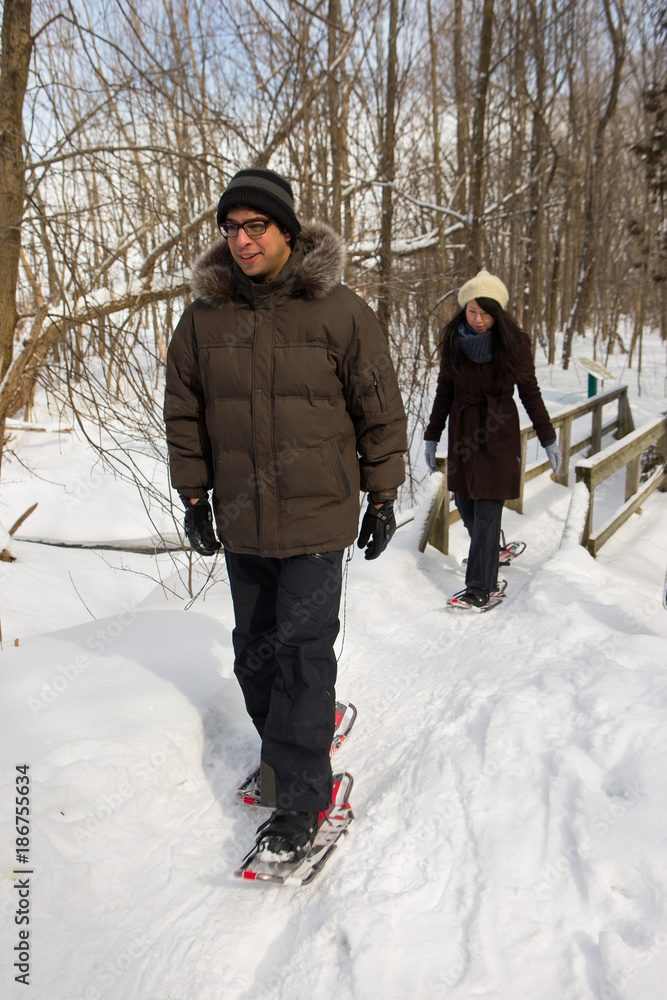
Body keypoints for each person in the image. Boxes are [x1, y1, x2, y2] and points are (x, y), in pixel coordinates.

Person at [164, 166, 407, 860]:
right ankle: (294, 737)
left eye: (255, 226)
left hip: (316, 516)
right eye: (231, 228)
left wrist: (383, 494)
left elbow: (378, 407)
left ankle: (300, 796)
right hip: (243, 517)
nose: (241, 240)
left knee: (301, 655)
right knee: (254, 655)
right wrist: (193, 495)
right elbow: (184, 410)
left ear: (286, 230)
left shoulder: (338, 310)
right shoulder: (203, 318)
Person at [423, 269, 561, 611]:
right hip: (463, 434)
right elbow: (444, 391)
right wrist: (431, 436)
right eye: (473, 311)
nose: (479, 319)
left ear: (497, 312)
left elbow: (530, 392)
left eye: (486, 312)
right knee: (468, 510)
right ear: (463, 309)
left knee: (486, 510)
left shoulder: (514, 343)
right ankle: (491, 549)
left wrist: (548, 438)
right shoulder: (454, 341)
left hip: (498, 434)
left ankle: (480, 588)